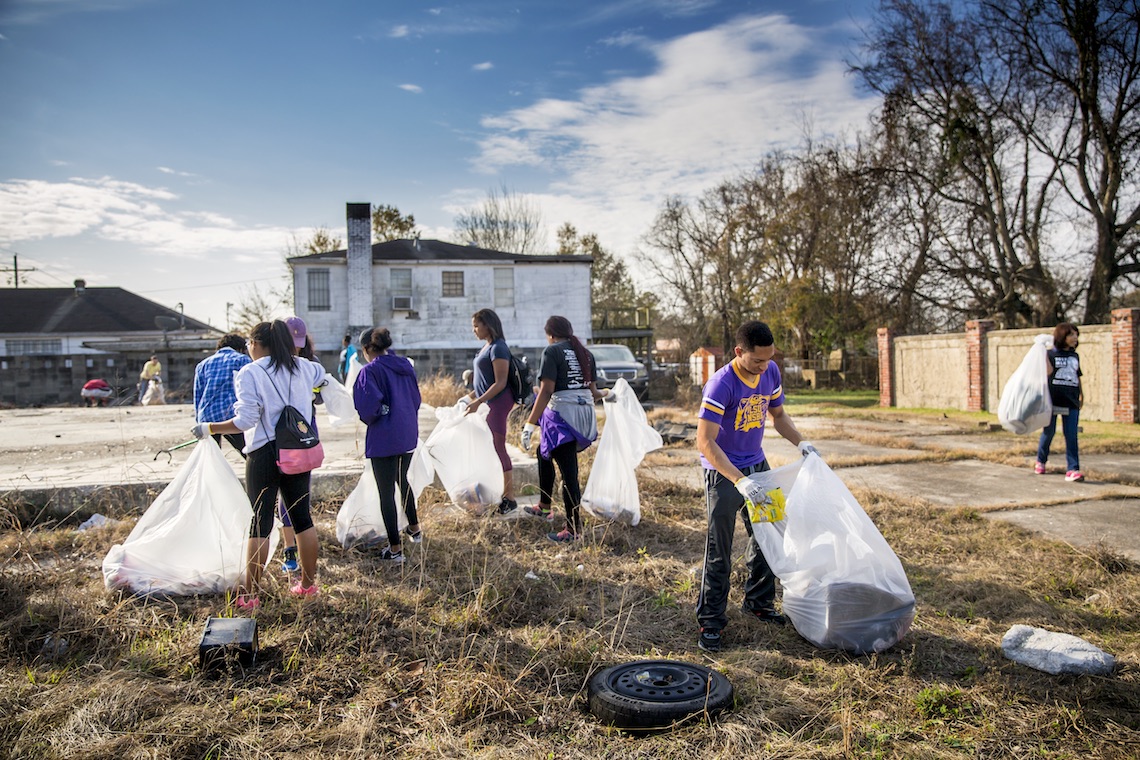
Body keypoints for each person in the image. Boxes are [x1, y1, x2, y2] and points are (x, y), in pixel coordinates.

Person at [694, 320, 819, 653]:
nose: (764, 366)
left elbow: (778, 415)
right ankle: (710, 622)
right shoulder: (721, 385)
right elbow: (705, 442)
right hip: (724, 473)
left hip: (758, 466)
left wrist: (801, 443)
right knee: (719, 550)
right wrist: (739, 480)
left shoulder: (771, 372)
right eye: (757, 361)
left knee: (771, 534)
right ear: (739, 352)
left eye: (769, 359)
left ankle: (759, 603)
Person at [190, 319, 328, 608]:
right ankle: (307, 585)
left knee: (260, 521)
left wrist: (209, 429)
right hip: (299, 451)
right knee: (302, 518)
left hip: (264, 453)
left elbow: (245, 421)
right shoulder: (304, 367)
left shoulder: (250, 372)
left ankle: (251, 595)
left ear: (255, 344)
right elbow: (321, 375)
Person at [520, 316, 609, 542]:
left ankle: (573, 530)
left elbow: (547, 390)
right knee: (543, 454)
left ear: (550, 334)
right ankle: (544, 505)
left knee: (569, 474)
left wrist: (531, 422)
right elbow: (594, 392)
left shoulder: (552, 352)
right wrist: (610, 393)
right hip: (583, 416)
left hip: (562, 418)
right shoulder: (585, 354)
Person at [354, 326, 422, 565]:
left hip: (384, 435)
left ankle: (395, 550)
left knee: (386, 492)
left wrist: (378, 415)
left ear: (366, 349)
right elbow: (416, 399)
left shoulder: (369, 372)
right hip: (407, 432)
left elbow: (367, 407)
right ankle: (414, 530)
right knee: (403, 480)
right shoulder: (405, 366)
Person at [460, 309, 518, 515]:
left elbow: (500, 382)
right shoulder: (487, 347)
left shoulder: (499, 348)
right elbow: (485, 382)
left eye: (476, 325)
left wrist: (478, 401)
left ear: (488, 325)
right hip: (486, 403)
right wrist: (471, 397)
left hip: (497, 404)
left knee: (497, 446)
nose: (474, 330)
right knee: (485, 447)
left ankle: (509, 497)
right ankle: (489, 493)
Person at [1036, 322, 1085, 482]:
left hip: (1071, 400)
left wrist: (1081, 395)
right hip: (1052, 400)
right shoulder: (1051, 354)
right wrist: (1042, 351)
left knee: (1071, 435)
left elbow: (1077, 376)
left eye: (1076, 335)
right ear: (1062, 336)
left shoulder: (1074, 356)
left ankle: (1073, 469)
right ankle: (1041, 460)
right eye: (1071, 334)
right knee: (1048, 432)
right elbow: (1048, 372)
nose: (1075, 338)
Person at [193, 333, 251, 455]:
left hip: (207, 417)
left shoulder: (202, 365)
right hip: (231, 415)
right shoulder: (242, 359)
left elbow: (198, 395)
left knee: (211, 458)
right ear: (241, 349)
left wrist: (200, 422)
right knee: (248, 453)